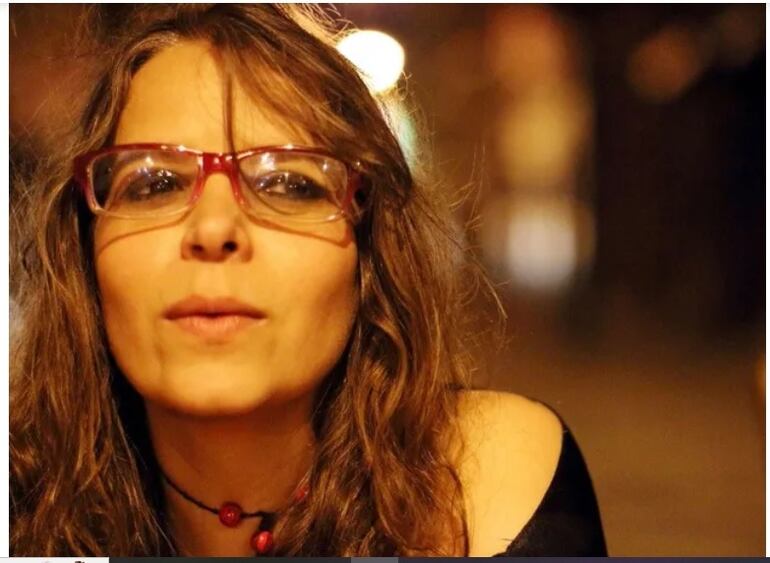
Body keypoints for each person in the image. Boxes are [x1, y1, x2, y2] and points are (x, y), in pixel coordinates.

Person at [9, 5, 607, 557]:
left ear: (369, 258)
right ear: (82, 252)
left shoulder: (479, 482)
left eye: (289, 184)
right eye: (155, 183)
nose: (214, 228)